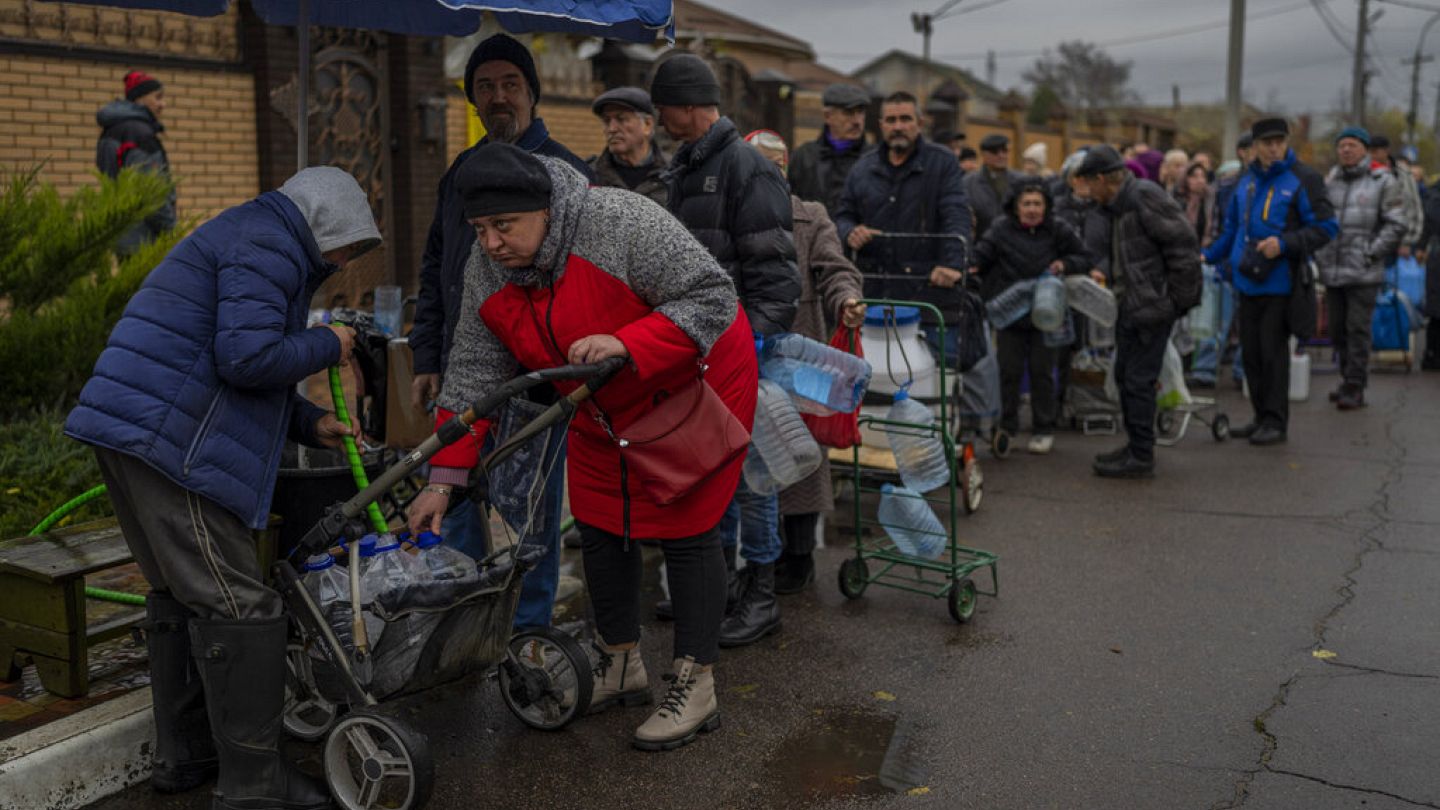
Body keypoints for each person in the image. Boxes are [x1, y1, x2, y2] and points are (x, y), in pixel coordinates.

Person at [406, 144, 754, 751]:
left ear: (543, 209)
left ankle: (695, 682)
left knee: (684, 523)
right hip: (595, 396)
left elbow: (711, 296)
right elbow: (470, 374)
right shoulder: (490, 266)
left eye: (502, 226)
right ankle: (621, 663)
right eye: (479, 229)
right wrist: (443, 479)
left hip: (691, 377)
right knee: (599, 518)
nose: (489, 244)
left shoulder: (619, 222)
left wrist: (627, 341)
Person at [64, 167, 381, 808]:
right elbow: (246, 359)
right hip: (169, 442)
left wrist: (307, 421)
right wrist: (329, 341)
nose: (348, 261)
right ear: (328, 226)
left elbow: (237, 360)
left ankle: (187, 756)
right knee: (243, 607)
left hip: (135, 430)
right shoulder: (267, 245)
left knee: (181, 595)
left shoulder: (254, 236)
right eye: (351, 245)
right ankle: (254, 785)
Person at [409, 33, 594, 628]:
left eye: (510, 84)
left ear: (532, 93)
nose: (498, 97)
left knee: (530, 511)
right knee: (453, 490)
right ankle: (461, 617)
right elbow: (437, 265)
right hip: (464, 366)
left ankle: (529, 630)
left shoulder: (565, 174)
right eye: (485, 87)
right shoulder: (460, 172)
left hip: (536, 379)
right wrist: (426, 353)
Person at [650, 52, 802, 647]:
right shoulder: (686, 168)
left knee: (755, 472)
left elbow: (776, 272)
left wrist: (753, 345)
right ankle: (732, 583)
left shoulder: (745, 167)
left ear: (686, 104)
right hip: (700, 349)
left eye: (663, 105)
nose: (658, 116)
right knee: (719, 470)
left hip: (741, 349)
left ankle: (762, 595)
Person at [744, 129, 866, 593]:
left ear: (786, 165)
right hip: (747, 350)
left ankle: (798, 559)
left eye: (773, 164)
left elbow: (835, 269)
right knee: (756, 454)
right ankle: (759, 559)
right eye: (756, 165)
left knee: (801, 450)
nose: (766, 173)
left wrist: (848, 299)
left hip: (799, 351)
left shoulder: (810, 217)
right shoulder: (734, 214)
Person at [1204, 118, 1337, 446]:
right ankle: (1260, 416)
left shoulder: (1303, 179)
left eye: (1280, 141)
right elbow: (1232, 229)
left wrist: (1285, 244)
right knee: (1250, 354)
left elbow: (1327, 227)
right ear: (1254, 148)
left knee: (1272, 354)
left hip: (1282, 284)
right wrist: (1205, 257)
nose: (1274, 148)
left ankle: (1276, 422)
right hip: (1246, 283)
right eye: (1267, 143)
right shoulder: (1246, 180)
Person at [1072, 146, 1201, 477]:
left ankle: (1142, 456)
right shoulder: (1117, 205)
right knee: (1126, 378)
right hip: (1131, 305)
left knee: (1139, 381)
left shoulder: (1143, 195)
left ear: (1102, 179)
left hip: (1151, 308)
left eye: (1089, 183)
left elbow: (1183, 244)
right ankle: (1135, 446)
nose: (1086, 191)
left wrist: (1175, 302)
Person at [835, 91, 971, 372]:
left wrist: (952, 264)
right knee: (873, 385)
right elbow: (843, 215)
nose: (898, 126)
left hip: (930, 295)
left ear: (920, 123)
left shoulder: (942, 163)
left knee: (936, 383)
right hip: (875, 296)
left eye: (905, 119)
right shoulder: (863, 168)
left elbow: (956, 213)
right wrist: (850, 231)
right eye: (891, 120)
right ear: (881, 124)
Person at [968, 179, 1091, 454]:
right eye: (1027, 204)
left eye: (1038, 203)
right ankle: (1007, 428)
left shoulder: (1058, 229)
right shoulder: (1000, 229)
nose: (1032, 209)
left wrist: (1065, 263)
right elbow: (981, 256)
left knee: (1042, 372)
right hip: (1009, 312)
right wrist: (970, 265)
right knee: (1008, 371)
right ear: (1015, 206)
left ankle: (1043, 428)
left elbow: (1084, 256)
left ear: (1046, 206)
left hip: (1047, 312)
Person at [1314, 126, 1406, 409]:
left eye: (1352, 145)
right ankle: (1346, 379)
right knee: (1338, 330)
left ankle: (1355, 385)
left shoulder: (1382, 181)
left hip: (1364, 270)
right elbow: (1321, 219)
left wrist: (1371, 253)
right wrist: (1320, 252)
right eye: (1342, 146)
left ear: (1364, 149)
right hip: (1333, 268)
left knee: (1357, 329)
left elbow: (1397, 223)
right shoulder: (1331, 180)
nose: (1346, 150)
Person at [1189, 135, 1255, 390]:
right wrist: (1210, 255)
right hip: (1227, 264)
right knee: (1215, 318)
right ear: (1242, 152)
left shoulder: (1270, 184)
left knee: (1249, 324)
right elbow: (1219, 228)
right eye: (1252, 149)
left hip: (1256, 265)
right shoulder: (1226, 187)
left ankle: (1243, 371)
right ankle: (1205, 370)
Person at [96, 70, 176, 255]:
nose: (163, 104)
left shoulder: (111, 131)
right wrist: (170, 230)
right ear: (140, 99)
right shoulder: (139, 133)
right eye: (158, 97)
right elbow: (150, 190)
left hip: (123, 234)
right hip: (146, 239)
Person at [788, 83, 874, 216]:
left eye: (860, 112)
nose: (857, 121)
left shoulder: (874, 160)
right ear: (828, 116)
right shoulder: (803, 157)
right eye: (848, 113)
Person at [589, 86, 668, 206]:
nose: (612, 129)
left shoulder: (675, 173)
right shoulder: (589, 175)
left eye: (621, 119)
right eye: (606, 121)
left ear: (647, 124)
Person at [1370, 134, 1425, 258]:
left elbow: (1413, 206)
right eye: (1369, 152)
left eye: (1375, 152)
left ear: (1386, 151)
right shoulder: (1365, 171)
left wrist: (1407, 241)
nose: (1372, 156)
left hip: (1397, 241)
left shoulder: (1402, 172)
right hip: (1372, 239)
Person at [962, 133, 1025, 239]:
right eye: (995, 152)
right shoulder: (968, 183)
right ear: (983, 154)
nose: (1001, 155)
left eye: (1004, 151)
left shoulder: (1021, 180)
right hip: (981, 244)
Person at [1173, 162, 1215, 246]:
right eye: (1194, 176)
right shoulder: (1175, 199)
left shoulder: (1211, 198)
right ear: (1185, 178)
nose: (1200, 180)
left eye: (1203, 176)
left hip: (1205, 250)